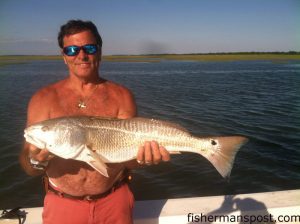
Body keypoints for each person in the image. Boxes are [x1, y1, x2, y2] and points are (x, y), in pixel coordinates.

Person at [19, 19, 170, 224]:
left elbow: (129, 160)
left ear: (99, 51)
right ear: (64, 56)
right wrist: (37, 161)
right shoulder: (43, 99)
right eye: (72, 50)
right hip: (62, 203)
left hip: (115, 202)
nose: (81, 55)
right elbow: (27, 165)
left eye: (89, 48)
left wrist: (145, 158)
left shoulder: (122, 96)